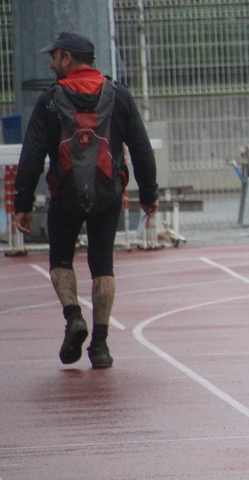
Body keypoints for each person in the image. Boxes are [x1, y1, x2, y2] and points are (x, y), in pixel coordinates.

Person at [13, 31, 158, 369]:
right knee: (103, 265)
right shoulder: (118, 95)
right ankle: (101, 345)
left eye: (54, 57)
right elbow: (141, 148)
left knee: (61, 260)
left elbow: (31, 156)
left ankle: (74, 316)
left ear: (68, 58)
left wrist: (23, 204)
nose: (51, 64)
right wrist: (149, 195)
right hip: (108, 194)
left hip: (64, 194)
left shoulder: (49, 101)